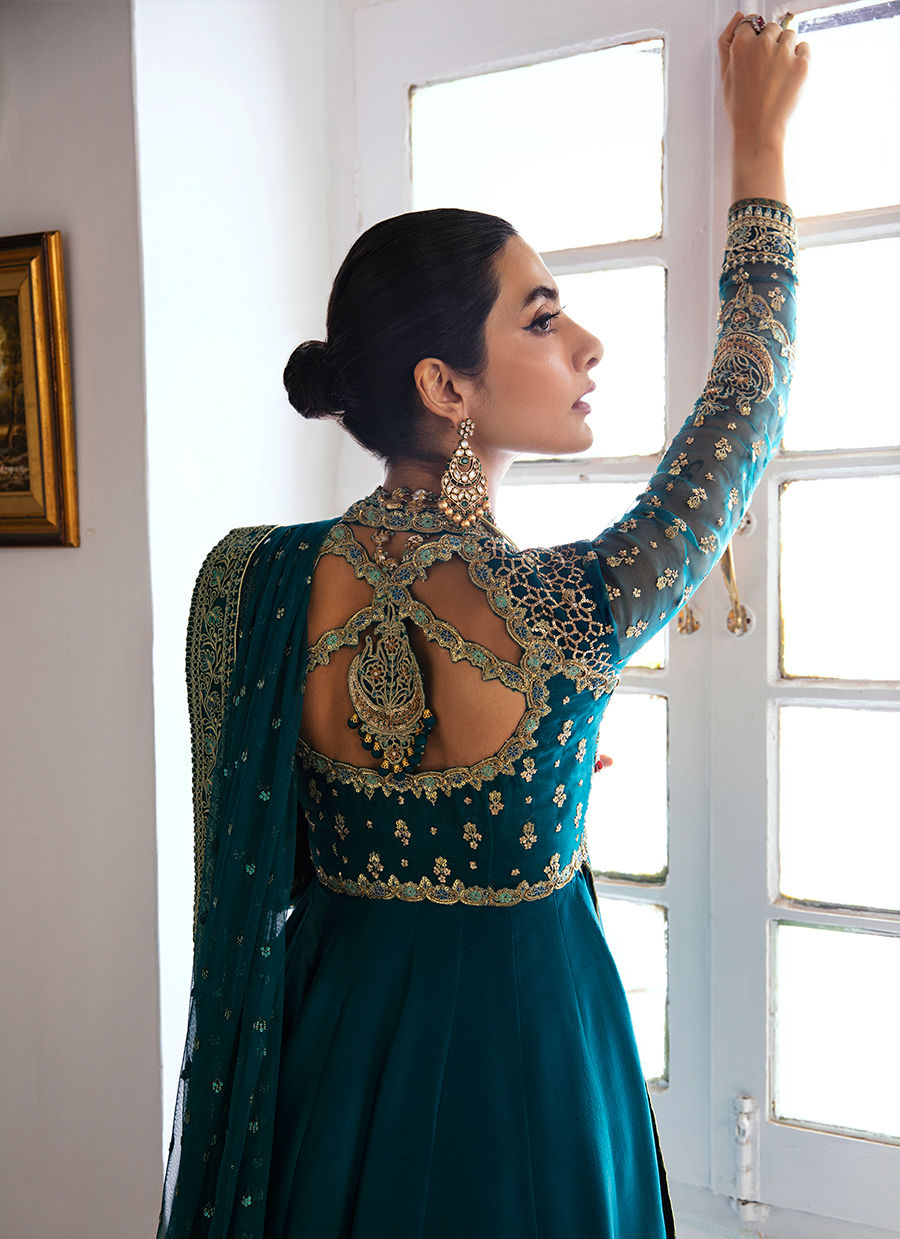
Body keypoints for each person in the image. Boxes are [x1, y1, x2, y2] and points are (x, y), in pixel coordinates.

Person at [157, 12, 809, 1238]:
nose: (587, 346)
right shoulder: (569, 608)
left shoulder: (252, 580)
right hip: (529, 1055)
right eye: (543, 319)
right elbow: (748, 401)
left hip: (335, 1052)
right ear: (445, 385)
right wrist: (761, 148)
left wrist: (518, 787)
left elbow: (265, 855)